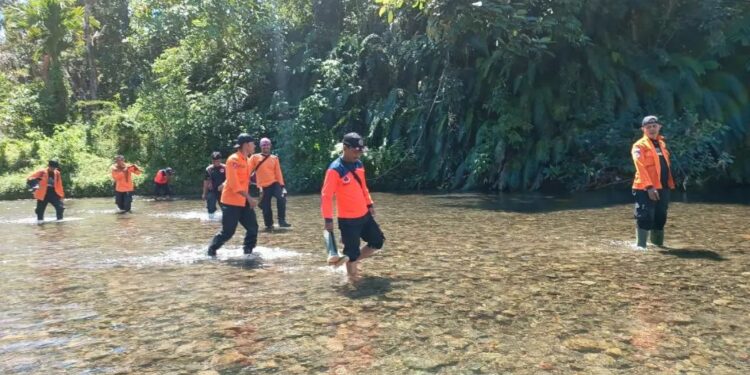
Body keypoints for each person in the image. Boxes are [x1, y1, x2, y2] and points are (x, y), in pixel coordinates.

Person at [321, 132, 385, 280]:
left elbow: (363, 187)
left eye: (360, 151)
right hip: (348, 220)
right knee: (352, 251)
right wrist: (328, 220)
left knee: (377, 242)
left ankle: (350, 260)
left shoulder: (359, 165)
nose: (359, 154)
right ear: (345, 147)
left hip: (364, 214)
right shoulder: (334, 169)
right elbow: (326, 196)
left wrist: (369, 204)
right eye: (355, 150)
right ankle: (353, 279)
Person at [206, 133, 259, 257]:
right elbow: (235, 185)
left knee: (253, 228)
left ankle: (248, 252)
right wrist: (250, 198)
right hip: (231, 202)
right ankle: (211, 250)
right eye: (253, 144)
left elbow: (239, 178)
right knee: (228, 232)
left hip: (243, 201)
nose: (255, 146)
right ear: (246, 145)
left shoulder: (247, 160)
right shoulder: (233, 160)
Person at [631, 115, 675, 249]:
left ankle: (658, 246)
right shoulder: (639, 146)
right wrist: (649, 186)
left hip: (663, 187)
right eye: (648, 127)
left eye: (654, 126)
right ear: (643, 129)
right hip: (644, 187)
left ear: (659, 127)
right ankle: (641, 247)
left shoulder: (662, 144)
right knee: (645, 216)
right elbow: (640, 166)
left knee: (661, 217)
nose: (652, 129)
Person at [249, 137, 290, 231]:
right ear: (260, 146)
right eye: (263, 145)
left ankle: (281, 220)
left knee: (282, 198)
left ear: (270, 146)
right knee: (266, 208)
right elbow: (248, 170)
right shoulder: (254, 157)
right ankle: (269, 225)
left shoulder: (274, 158)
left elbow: (278, 173)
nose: (265, 146)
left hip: (274, 183)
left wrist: (282, 186)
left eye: (267, 144)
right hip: (263, 187)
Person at [202, 152, 226, 219]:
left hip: (223, 191)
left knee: (225, 208)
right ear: (212, 160)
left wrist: (223, 185)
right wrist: (204, 193)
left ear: (220, 160)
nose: (215, 162)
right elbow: (206, 182)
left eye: (217, 161)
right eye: (214, 161)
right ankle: (211, 220)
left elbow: (230, 179)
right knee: (210, 206)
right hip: (212, 191)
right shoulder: (208, 169)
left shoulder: (225, 168)